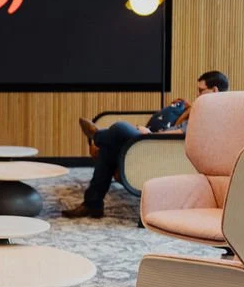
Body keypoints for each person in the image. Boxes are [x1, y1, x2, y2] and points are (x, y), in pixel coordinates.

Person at [61, 70, 229, 219]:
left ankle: (97, 135)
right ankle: (93, 204)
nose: (198, 95)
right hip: (156, 145)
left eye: (201, 91)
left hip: (162, 148)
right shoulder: (203, 108)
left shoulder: (217, 111)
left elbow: (184, 133)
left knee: (120, 127)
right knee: (109, 149)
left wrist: (151, 134)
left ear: (214, 90)